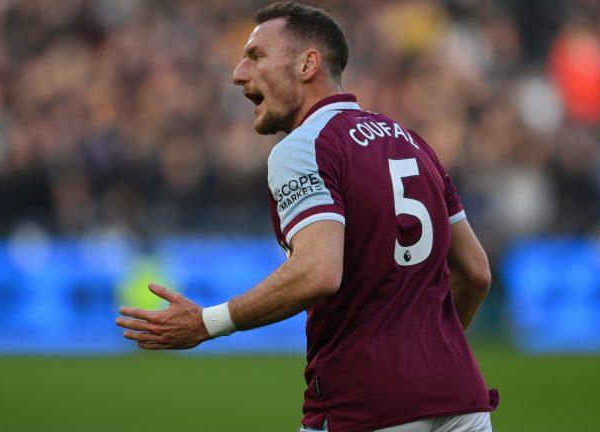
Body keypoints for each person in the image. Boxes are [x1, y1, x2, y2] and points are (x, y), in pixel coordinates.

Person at [116, 2, 498, 431]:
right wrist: (428, 355)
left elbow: (318, 272)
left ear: (307, 65)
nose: (238, 73)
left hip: (370, 403)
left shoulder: (305, 147)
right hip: (461, 401)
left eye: (256, 56)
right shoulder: (412, 142)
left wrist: (207, 323)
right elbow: (476, 272)